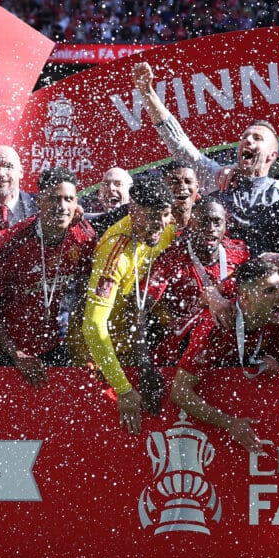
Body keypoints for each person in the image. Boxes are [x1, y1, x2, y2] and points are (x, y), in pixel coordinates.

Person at [133, 61, 279, 243]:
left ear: (272, 155)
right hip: (218, 259)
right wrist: (147, 92)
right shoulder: (217, 178)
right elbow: (178, 143)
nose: (248, 140)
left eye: (257, 138)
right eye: (245, 136)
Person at [0, 167, 97, 385]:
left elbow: (85, 294)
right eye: (54, 199)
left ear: (76, 203)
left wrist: (82, 342)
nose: (62, 207)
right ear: (39, 201)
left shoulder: (84, 236)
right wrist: (16, 354)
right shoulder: (13, 244)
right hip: (6, 353)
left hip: (52, 347)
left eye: (68, 199)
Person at [82, 175, 176, 434]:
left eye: (165, 215)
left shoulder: (168, 227)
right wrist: (123, 389)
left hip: (141, 343)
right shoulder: (114, 251)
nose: (160, 225)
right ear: (133, 211)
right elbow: (93, 326)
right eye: (152, 216)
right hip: (105, 356)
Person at [169, 259, 279, 453]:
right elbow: (180, 392)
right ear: (246, 298)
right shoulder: (217, 329)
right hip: (165, 372)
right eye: (269, 291)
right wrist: (229, 423)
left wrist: (266, 359)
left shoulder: (270, 314)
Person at [147, 196, 248, 366]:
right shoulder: (172, 260)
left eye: (217, 222)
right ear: (190, 225)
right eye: (204, 222)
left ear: (225, 225)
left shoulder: (240, 253)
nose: (211, 228)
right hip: (183, 348)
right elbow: (142, 306)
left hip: (229, 344)